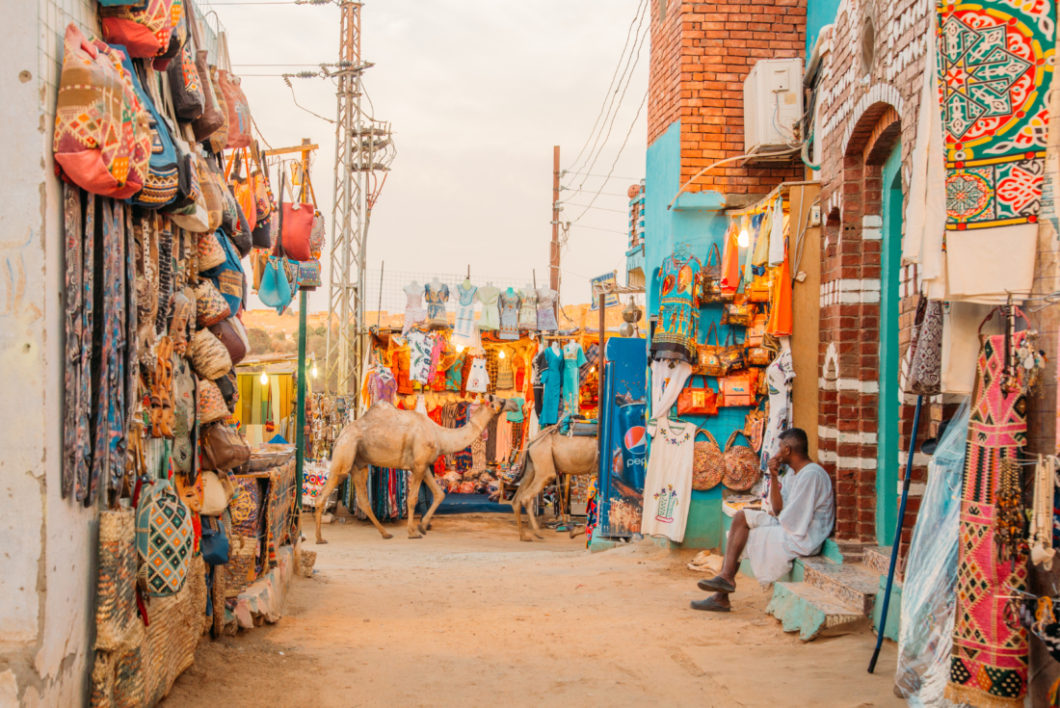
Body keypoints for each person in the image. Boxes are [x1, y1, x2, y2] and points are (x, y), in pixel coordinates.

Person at [690, 428, 834, 612]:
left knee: (747, 537)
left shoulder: (812, 475)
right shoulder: (792, 473)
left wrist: (773, 520)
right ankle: (726, 578)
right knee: (741, 517)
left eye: (780, 447)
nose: (777, 452)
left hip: (804, 536)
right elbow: (778, 508)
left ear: (788, 450)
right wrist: (774, 476)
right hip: (788, 524)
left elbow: (795, 521)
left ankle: (721, 596)